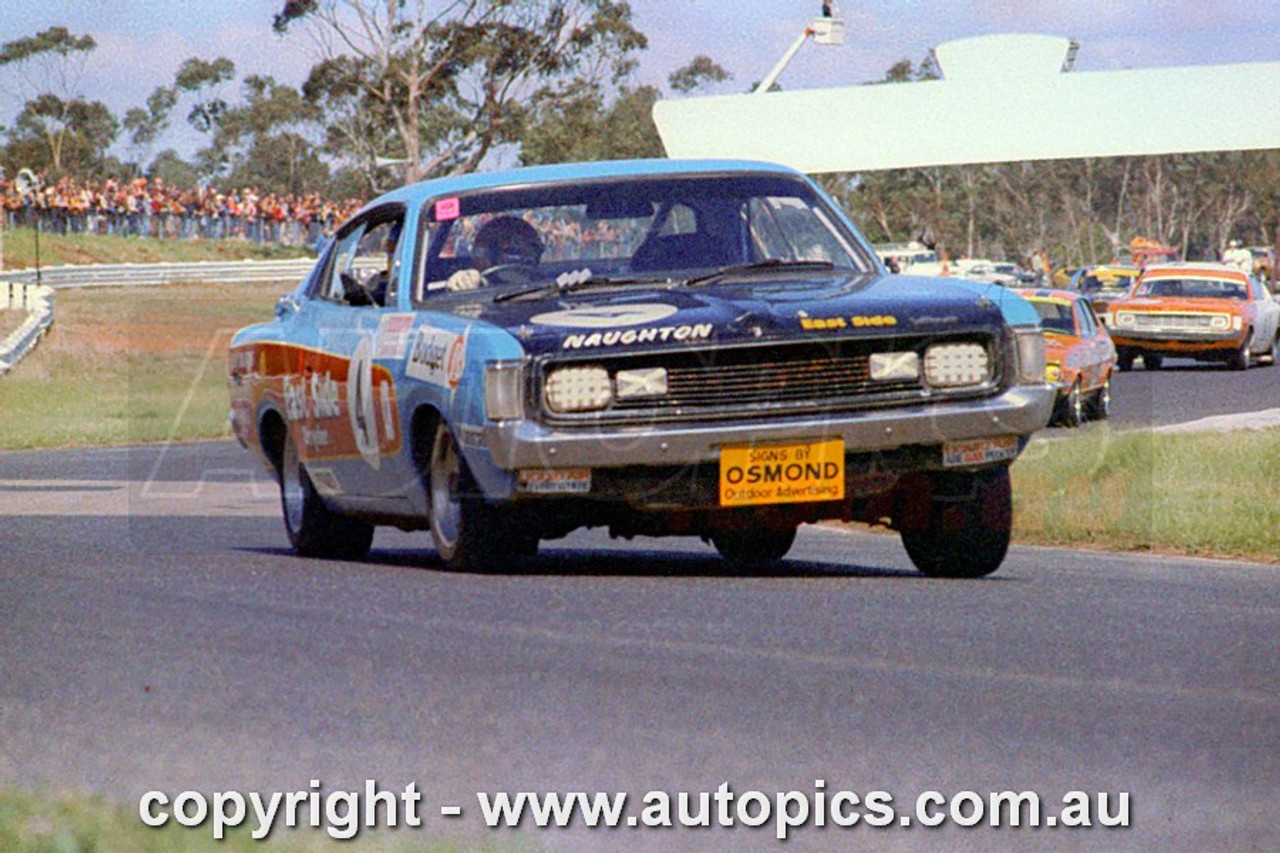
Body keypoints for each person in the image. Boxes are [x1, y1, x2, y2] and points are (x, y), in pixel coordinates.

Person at [447, 215, 544, 291]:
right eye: (509, 251)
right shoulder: (476, 282)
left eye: (518, 252)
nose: (515, 258)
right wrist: (464, 282)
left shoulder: (548, 284)